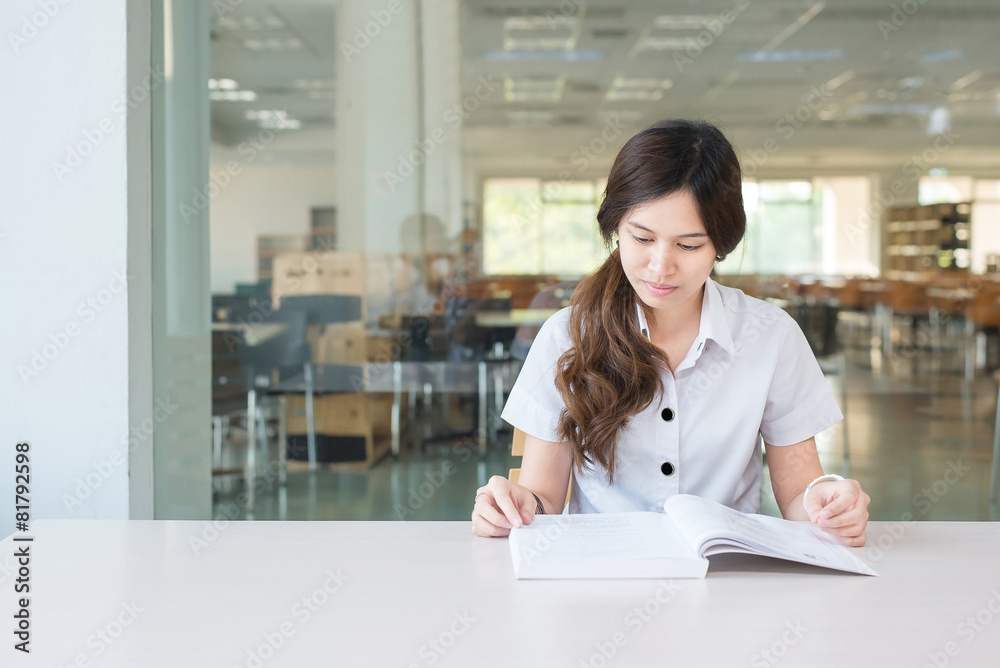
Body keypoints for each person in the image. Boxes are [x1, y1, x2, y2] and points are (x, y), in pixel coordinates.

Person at [471, 119, 870, 546]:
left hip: (725, 575)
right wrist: (515, 504)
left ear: (722, 244)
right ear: (615, 229)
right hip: (602, 573)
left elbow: (797, 491)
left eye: (689, 245)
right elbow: (543, 497)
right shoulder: (567, 336)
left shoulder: (770, 336)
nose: (661, 266)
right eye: (642, 238)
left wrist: (824, 503)